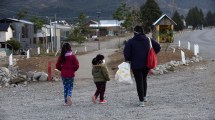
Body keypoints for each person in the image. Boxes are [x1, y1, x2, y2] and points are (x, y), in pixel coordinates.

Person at [123, 26, 161, 107]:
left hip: (136, 65)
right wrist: (152, 54)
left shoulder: (131, 41)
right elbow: (158, 47)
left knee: (139, 82)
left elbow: (126, 53)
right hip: (147, 64)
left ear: (135, 32)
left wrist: (129, 59)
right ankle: (144, 97)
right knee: (144, 80)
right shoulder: (148, 39)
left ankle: (141, 101)